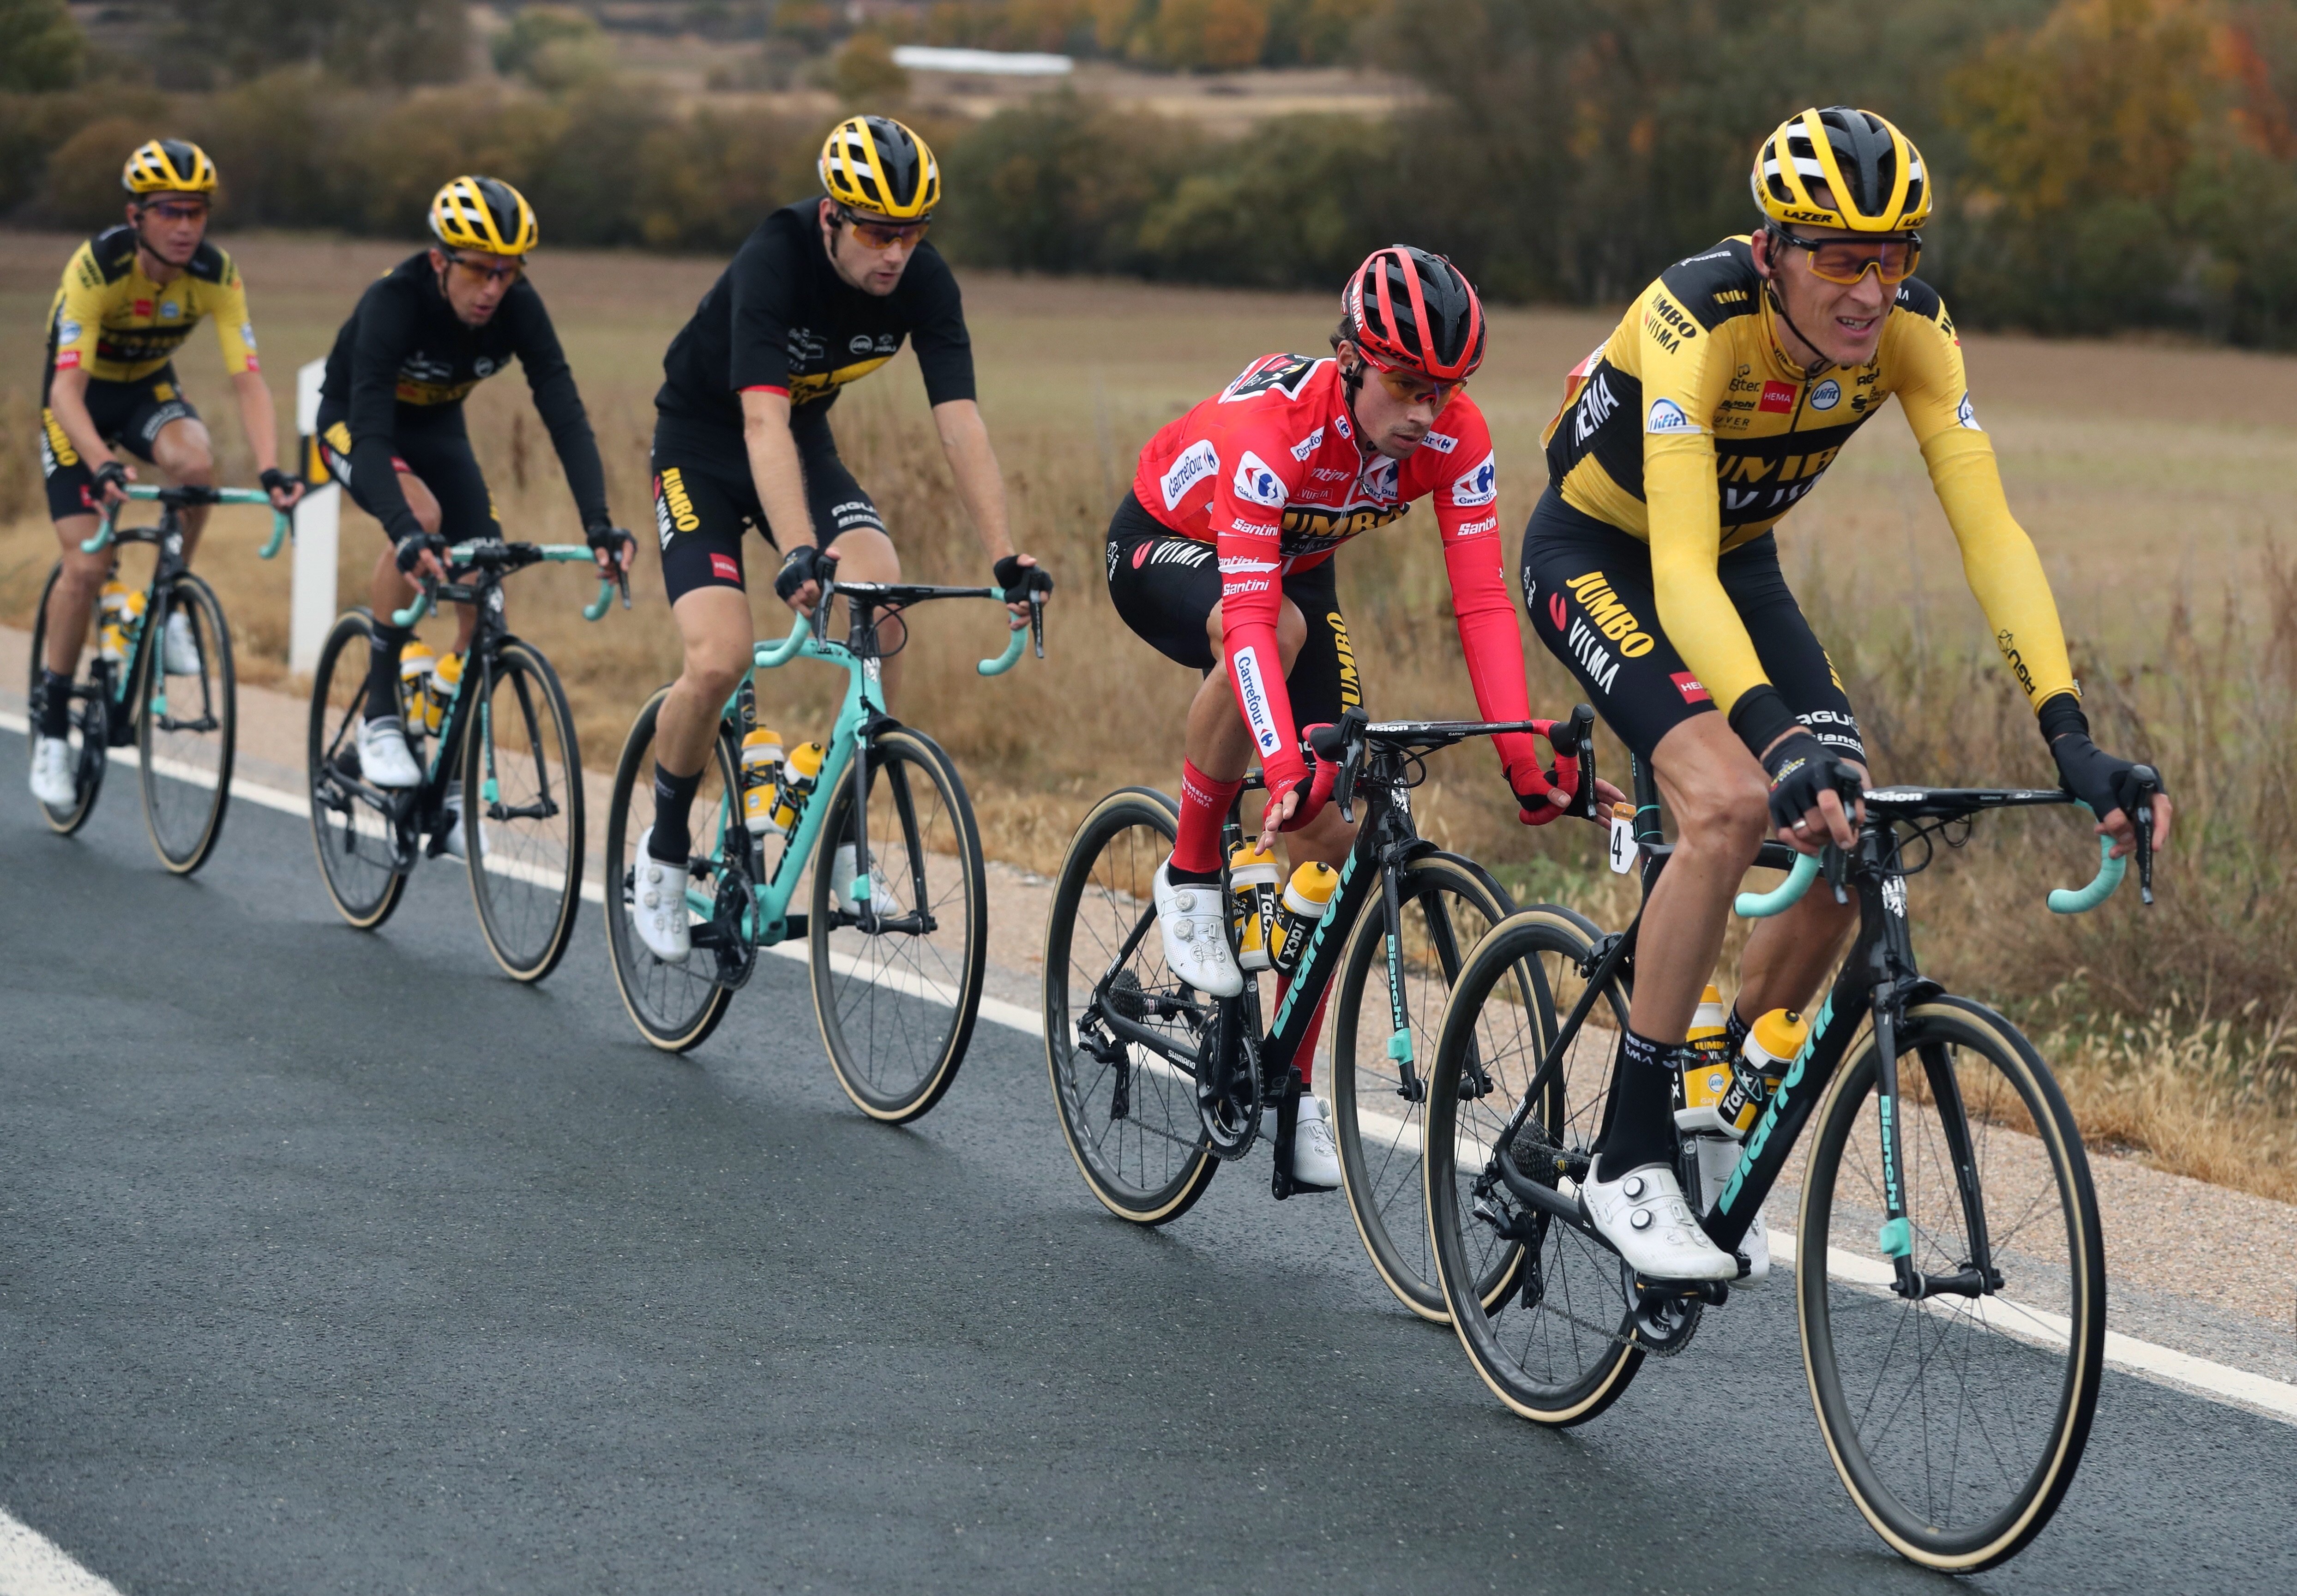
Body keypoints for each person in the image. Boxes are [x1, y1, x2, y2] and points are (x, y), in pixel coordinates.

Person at [1520, 106, 2173, 1280]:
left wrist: (2070, 733)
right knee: (1729, 801)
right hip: (1602, 552)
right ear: (1772, 249)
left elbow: (1990, 532)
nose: (1871, 292)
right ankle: (1625, 1153)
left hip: (1738, 560)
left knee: (1846, 821)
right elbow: (1675, 569)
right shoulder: (1694, 316)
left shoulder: (1916, 335)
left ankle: (1722, 1063)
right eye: (1839, 255)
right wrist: (1769, 741)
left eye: (1894, 256)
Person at [1109, 245, 1594, 1191]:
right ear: (1352, 361)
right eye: (1407, 386)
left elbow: (1484, 602)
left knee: (1335, 820)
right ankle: (1191, 866)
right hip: (1169, 542)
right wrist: (1279, 764)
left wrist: (1520, 754)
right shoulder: (1273, 431)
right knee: (1277, 646)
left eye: (1445, 391)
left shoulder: (1457, 435)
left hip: (1295, 559)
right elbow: (1249, 622)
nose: (1425, 413)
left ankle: (1287, 1088)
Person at [629, 115, 1048, 963]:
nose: (895, 252)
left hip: (802, 445)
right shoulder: (774, 259)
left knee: (882, 603)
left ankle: (846, 833)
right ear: (831, 216)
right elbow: (759, 418)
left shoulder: (924, 283)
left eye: (912, 232)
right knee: (719, 658)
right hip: (705, 448)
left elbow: (960, 423)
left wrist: (1005, 556)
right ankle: (664, 851)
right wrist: (794, 550)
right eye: (876, 231)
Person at [313, 174, 632, 825]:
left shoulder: (518, 305)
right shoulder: (394, 302)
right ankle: (380, 711)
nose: (494, 289)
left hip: (437, 431)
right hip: (357, 426)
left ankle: (449, 772)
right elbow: (371, 433)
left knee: (486, 580)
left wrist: (597, 521)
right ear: (440, 260)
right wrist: (404, 530)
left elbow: (564, 412)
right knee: (423, 520)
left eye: (508, 274)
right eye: (481, 272)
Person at [30, 139, 304, 807]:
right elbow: (66, 395)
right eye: (170, 213)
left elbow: (249, 381)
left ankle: (167, 594)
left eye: (198, 212)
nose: (186, 227)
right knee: (88, 567)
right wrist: (101, 462)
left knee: (195, 464)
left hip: (148, 389)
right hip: (80, 403)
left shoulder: (216, 273)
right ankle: (51, 729)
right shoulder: (96, 269)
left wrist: (271, 468)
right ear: (136, 215)